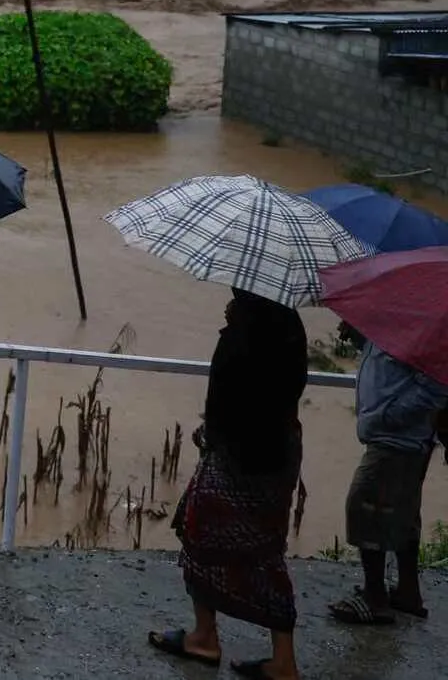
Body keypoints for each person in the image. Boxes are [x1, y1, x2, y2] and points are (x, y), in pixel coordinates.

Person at [150, 289, 309, 678]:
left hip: (238, 457)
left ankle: (205, 636)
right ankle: (283, 658)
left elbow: (227, 396)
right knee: (268, 550)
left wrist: (210, 436)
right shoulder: (291, 326)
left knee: (197, 533)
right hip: (280, 453)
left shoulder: (242, 332)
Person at [328, 337, 448, 624]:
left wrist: (387, 416)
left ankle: (374, 597)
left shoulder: (416, 331)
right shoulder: (388, 329)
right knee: (404, 512)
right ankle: (408, 592)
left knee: (364, 507)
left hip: (396, 439)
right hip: (398, 437)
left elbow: (438, 384)